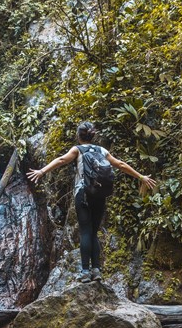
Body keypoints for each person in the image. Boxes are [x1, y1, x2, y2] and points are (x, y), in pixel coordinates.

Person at [27, 121, 156, 282]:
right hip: (99, 195)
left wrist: (42, 171)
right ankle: (97, 270)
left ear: (78, 135)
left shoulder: (77, 150)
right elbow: (120, 164)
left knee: (85, 231)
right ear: (93, 135)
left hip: (83, 194)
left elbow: (61, 160)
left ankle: (85, 272)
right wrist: (141, 177)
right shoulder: (102, 150)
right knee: (94, 232)